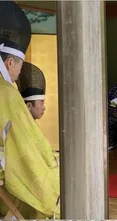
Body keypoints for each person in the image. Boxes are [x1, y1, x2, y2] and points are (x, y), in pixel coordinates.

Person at [0, 1, 60, 218]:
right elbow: (27, 145)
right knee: (50, 174)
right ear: (9, 63)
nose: (19, 71)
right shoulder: (6, 92)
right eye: (20, 65)